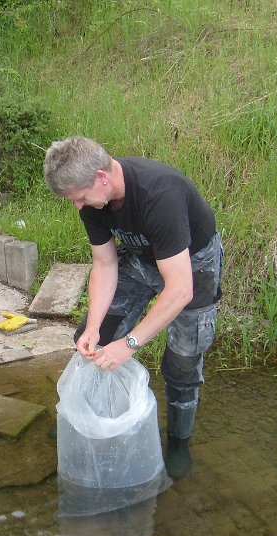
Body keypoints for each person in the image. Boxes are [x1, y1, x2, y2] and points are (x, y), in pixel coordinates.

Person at [44, 136, 223, 480]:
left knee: (183, 360)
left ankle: (178, 443)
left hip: (193, 266)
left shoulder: (160, 195)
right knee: (93, 337)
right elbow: (105, 263)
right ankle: (86, 418)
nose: (78, 207)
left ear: (101, 178)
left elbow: (180, 289)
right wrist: (95, 326)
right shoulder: (92, 201)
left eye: (80, 198)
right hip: (141, 261)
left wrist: (130, 345)